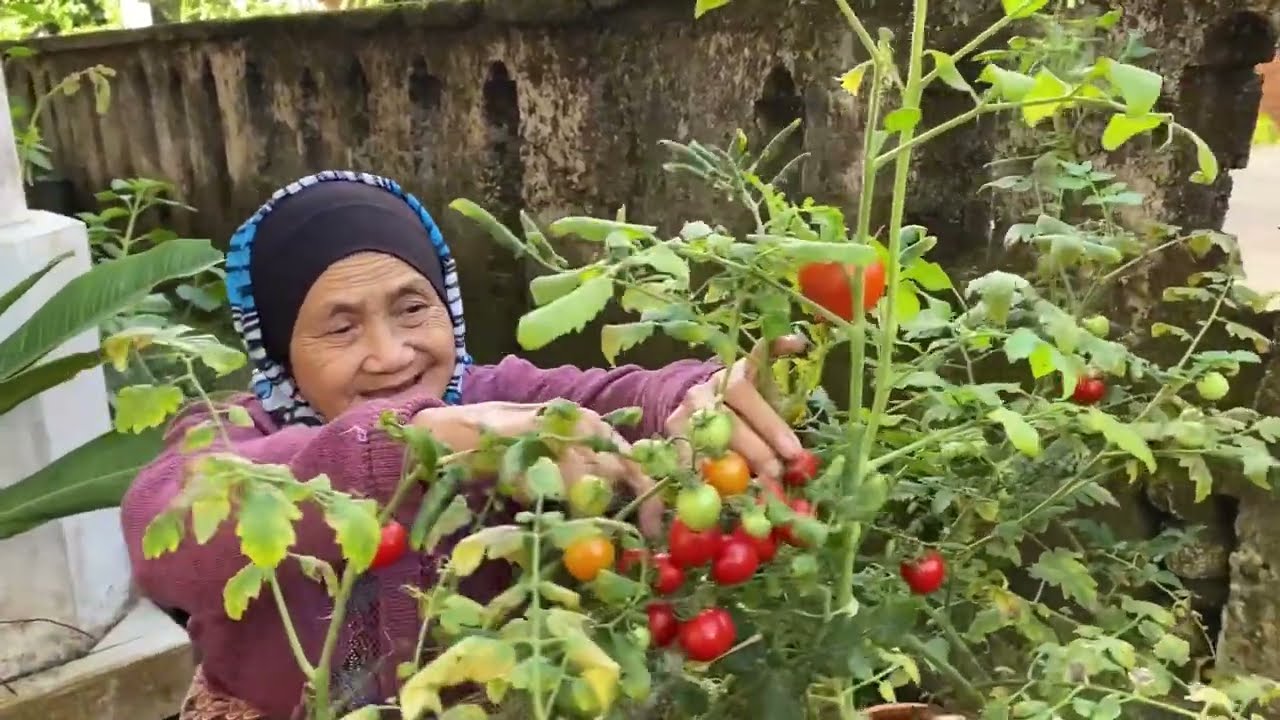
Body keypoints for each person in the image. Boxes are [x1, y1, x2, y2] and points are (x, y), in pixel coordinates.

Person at [120, 170, 806, 719]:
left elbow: (622, 396)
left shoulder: (491, 395)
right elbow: (161, 527)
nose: (390, 356)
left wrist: (695, 398)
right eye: (339, 328)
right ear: (279, 351)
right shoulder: (234, 435)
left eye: (412, 307)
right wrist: (406, 445)